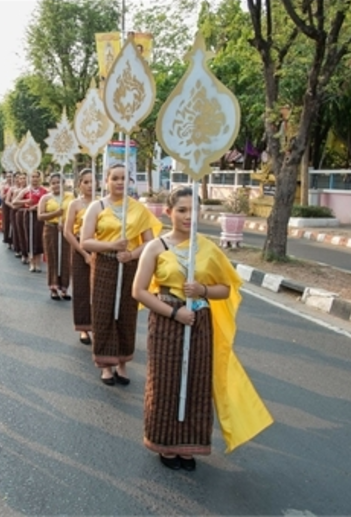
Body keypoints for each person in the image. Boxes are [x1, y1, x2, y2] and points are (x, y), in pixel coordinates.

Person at [132, 186, 273, 471]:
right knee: (165, 381)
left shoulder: (208, 248)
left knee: (197, 383)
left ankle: (189, 445)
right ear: (169, 212)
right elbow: (139, 291)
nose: (188, 216)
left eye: (194, 210)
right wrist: (175, 311)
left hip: (199, 324)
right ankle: (165, 443)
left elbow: (225, 288)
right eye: (182, 210)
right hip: (166, 323)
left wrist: (203, 289)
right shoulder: (156, 247)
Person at [81, 163, 160, 385]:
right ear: (106, 180)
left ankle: (123, 362)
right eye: (114, 178)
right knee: (103, 312)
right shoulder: (96, 207)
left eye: (124, 178)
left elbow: (150, 242)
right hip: (104, 266)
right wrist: (112, 246)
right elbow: (85, 241)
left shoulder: (138, 209)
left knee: (126, 314)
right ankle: (106, 365)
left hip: (129, 267)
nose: (119, 182)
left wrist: (132, 254)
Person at [63, 168, 95, 344]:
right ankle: (83, 328)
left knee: (99, 290)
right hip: (79, 248)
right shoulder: (75, 204)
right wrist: (83, 253)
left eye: (93, 181)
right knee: (82, 288)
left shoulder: (102, 203)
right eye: (86, 182)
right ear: (79, 184)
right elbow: (67, 232)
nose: (90, 185)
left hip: (100, 248)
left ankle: (98, 324)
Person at [38, 172, 74, 300]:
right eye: (53, 183)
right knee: (53, 258)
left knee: (66, 258)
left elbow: (76, 213)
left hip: (66, 230)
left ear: (63, 183)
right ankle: (53, 287)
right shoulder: (45, 198)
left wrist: (65, 224)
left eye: (58, 182)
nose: (55, 185)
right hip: (51, 229)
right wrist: (55, 214)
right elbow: (40, 216)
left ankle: (64, 288)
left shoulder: (70, 197)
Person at [12, 170, 47, 272]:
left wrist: (37, 206)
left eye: (36, 177)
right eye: (33, 177)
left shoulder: (44, 191)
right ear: (29, 178)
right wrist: (26, 201)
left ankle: (38, 262)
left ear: (40, 178)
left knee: (39, 238)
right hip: (29, 216)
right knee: (30, 237)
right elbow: (14, 202)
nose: (35, 179)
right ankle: (31, 262)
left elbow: (49, 202)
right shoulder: (26, 191)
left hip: (40, 216)